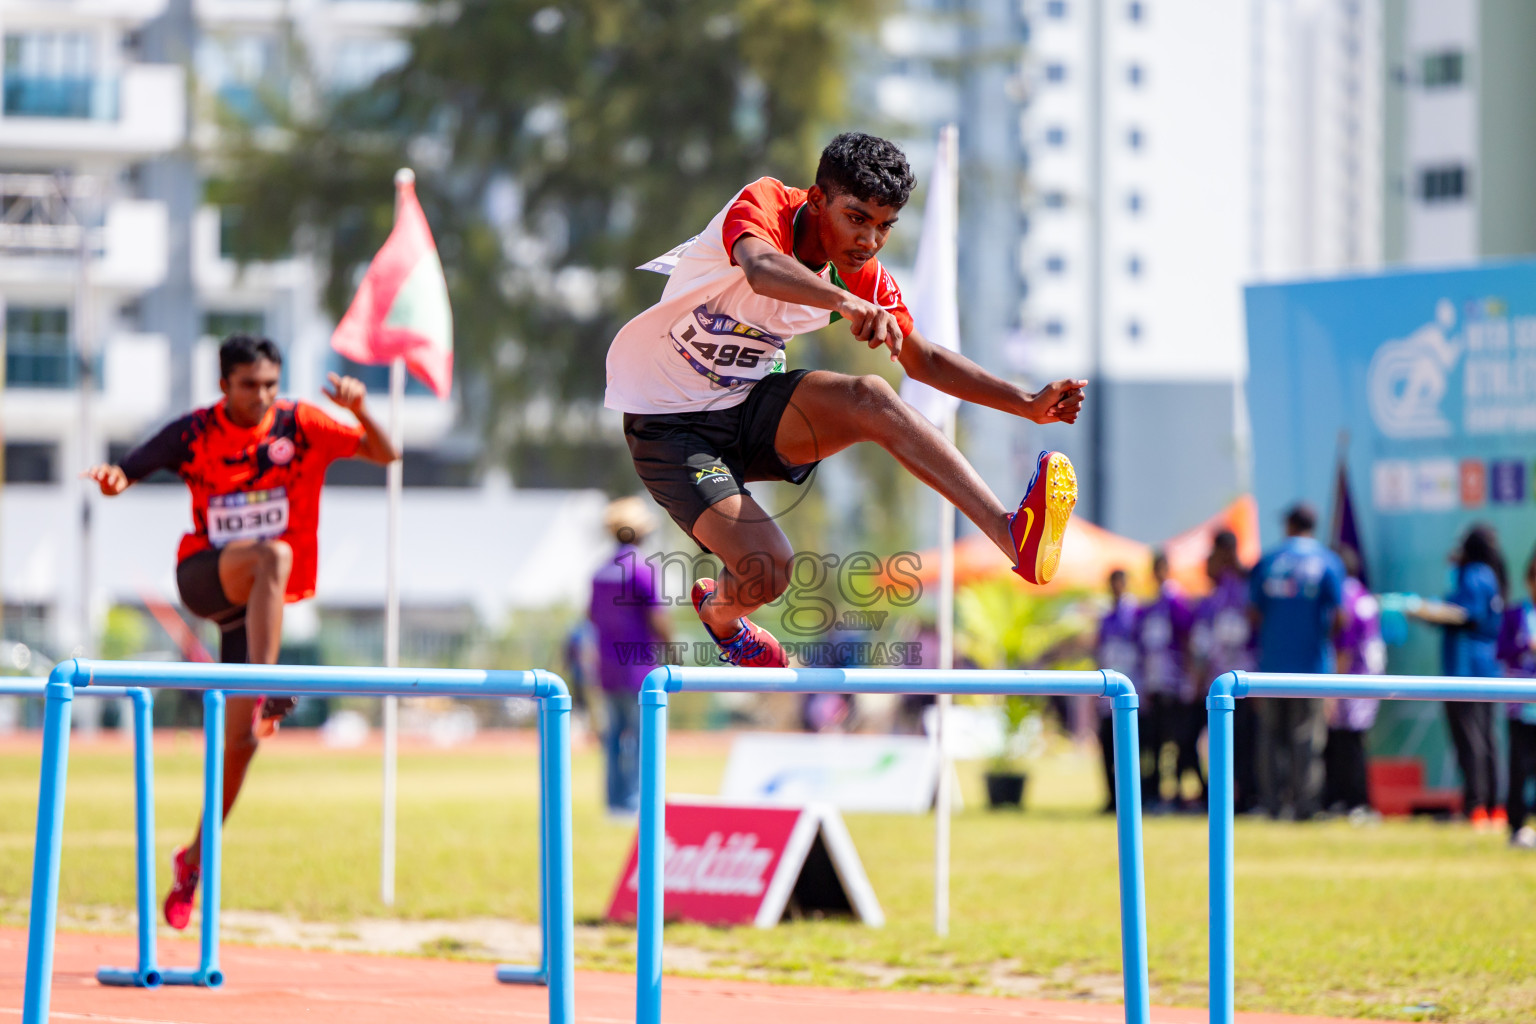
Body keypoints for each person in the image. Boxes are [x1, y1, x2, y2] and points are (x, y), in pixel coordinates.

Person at [606, 133, 1087, 667]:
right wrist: (846, 302)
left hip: (747, 405)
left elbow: (922, 360)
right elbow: (762, 270)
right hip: (670, 425)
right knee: (769, 569)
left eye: (884, 226)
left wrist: (1025, 402)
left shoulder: (862, 271)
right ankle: (720, 618)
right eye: (857, 218)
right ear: (817, 201)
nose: (869, 241)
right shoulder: (765, 204)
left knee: (871, 397)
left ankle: (1011, 537)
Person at [85, 334, 399, 927]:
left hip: (254, 613)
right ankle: (269, 681)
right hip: (206, 577)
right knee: (272, 558)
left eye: (270, 385)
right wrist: (113, 479)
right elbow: (129, 469)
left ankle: (193, 861)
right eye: (249, 385)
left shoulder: (300, 424)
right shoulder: (195, 432)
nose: (262, 396)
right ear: (224, 384)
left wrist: (360, 409)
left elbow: (388, 454)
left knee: (240, 748)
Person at [1407, 523, 1508, 830]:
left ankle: (1475, 806)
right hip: (1487, 669)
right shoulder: (1492, 575)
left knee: (1470, 740)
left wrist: (1424, 611)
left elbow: (1463, 614)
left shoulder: (1474, 574)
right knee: (1486, 739)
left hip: (1465, 671)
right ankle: (1493, 807)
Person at [1249, 502, 1344, 821]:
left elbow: (1253, 612)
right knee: (1306, 738)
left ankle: (1273, 804)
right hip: (1312, 667)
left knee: (1271, 737)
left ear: (1289, 525)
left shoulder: (1269, 560)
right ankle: (1304, 805)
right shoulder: (1328, 561)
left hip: (1272, 666)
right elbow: (1340, 615)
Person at [588, 497, 673, 816]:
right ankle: (636, 802)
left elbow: (591, 617)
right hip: (640, 666)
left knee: (612, 737)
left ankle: (614, 801)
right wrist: (671, 650)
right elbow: (658, 619)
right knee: (643, 737)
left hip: (607, 665)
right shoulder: (642, 568)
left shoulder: (600, 572)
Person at [1191, 530, 1258, 812]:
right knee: (1218, 742)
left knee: (1241, 743)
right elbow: (1203, 642)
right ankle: (1219, 796)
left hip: (1242, 681)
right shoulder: (1215, 594)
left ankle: (1243, 799)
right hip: (1219, 682)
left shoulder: (1247, 586)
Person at [1323, 548, 1384, 819]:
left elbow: (1343, 649)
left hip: (1351, 679)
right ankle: (1353, 800)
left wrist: (1333, 690)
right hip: (1369, 677)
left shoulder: (1344, 599)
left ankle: (1354, 801)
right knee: (1354, 740)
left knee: (1346, 741)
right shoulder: (1363, 595)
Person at [1136, 551, 1198, 811]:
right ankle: (1157, 792)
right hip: (1155, 683)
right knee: (1155, 741)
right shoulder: (1151, 605)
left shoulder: (1176, 601)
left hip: (1173, 681)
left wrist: (1190, 678)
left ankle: (1180, 792)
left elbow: (1187, 641)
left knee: (1179, 741)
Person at [1496, 547, 1536, 849]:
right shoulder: (1514, 614)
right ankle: (1516, 826)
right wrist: (1525, 646)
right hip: (1520, 706)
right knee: (1519, 768)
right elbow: (1501, 651)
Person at [1095, 568, 1139, 813]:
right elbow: (1099, 651)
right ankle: (1112, 797)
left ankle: (1130, 796)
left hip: (1132, 689)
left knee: (1132, 746)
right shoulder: (1106, 617)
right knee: (1107, 746)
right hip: (1108, 690)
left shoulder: (1135, 614)